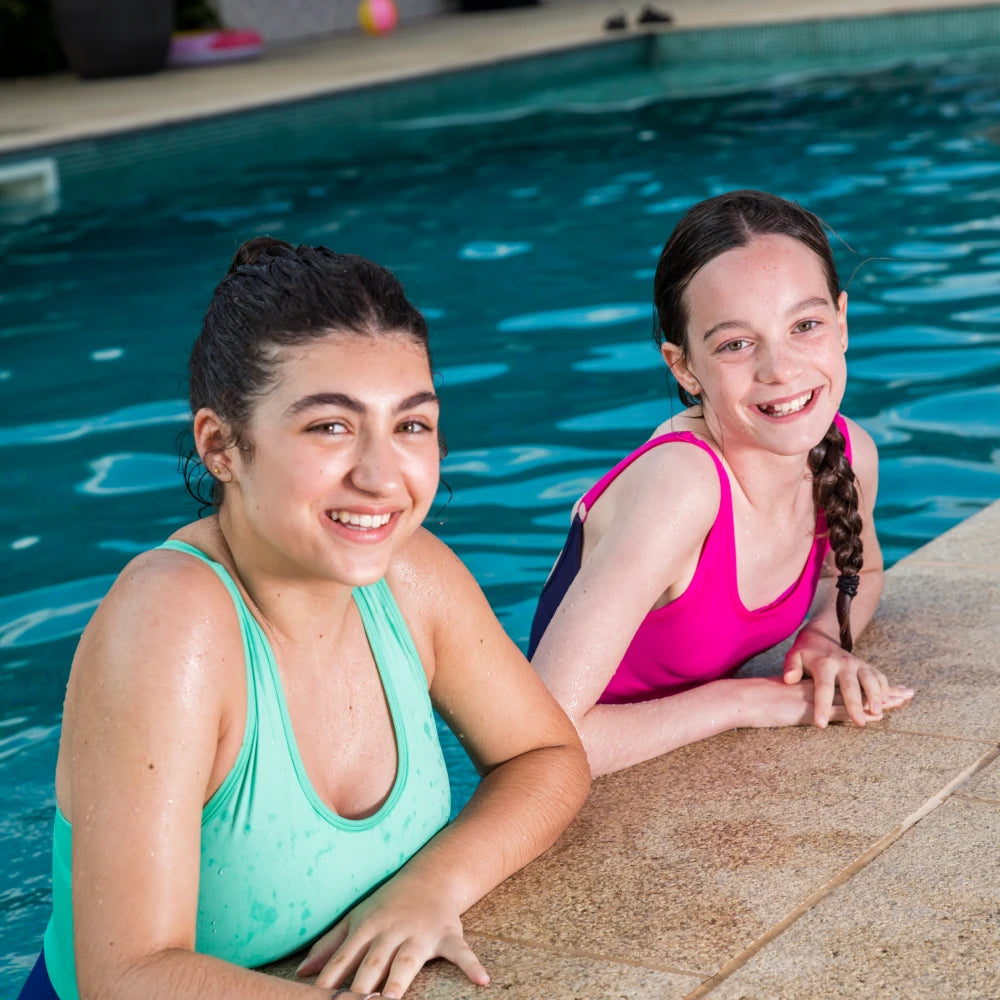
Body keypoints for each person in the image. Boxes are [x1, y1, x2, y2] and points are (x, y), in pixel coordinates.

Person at [19, 238, 590, 1000]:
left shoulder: (412, 578)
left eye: (412, 426)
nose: (383, 477)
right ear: (221, 445)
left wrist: (430, 887)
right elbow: (127, 975)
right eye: (331, 426)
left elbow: (547, 754)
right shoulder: (171, 624)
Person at [528, 189, 914, 778]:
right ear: (683, 366)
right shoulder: (682, 489)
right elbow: (538, 741)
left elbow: (859, 573)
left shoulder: (847, 451)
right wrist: (743, 701)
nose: (779, 370)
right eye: (736, 343)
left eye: (805, 325)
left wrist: (819, 638)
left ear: (842, 322)